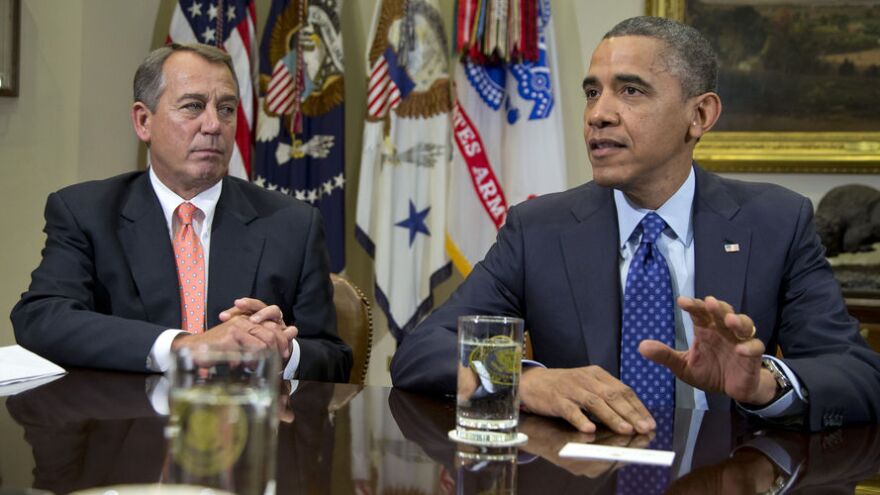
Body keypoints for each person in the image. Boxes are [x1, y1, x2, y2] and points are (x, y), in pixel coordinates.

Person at [391, 16, 880, 432]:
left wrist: (762, 385)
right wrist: (525, 380)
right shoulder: (538, 228)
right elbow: (422, 351)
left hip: (726, 474)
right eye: (592, 92)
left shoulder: (776, 221)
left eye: (630, 90)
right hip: (582, 474)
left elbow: (858, 375)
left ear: (700, 115)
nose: (598, 114)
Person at [11, 43, 351, 382]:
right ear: (143, 121)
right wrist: (183, 346)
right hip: (124, 414)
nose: (213, 125)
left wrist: (284, 351)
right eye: (193, 106)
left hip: (243, 414)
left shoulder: (293, 224)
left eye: (226, 109)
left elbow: (333, 358)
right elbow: (42, 317)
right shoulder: (86, 213)